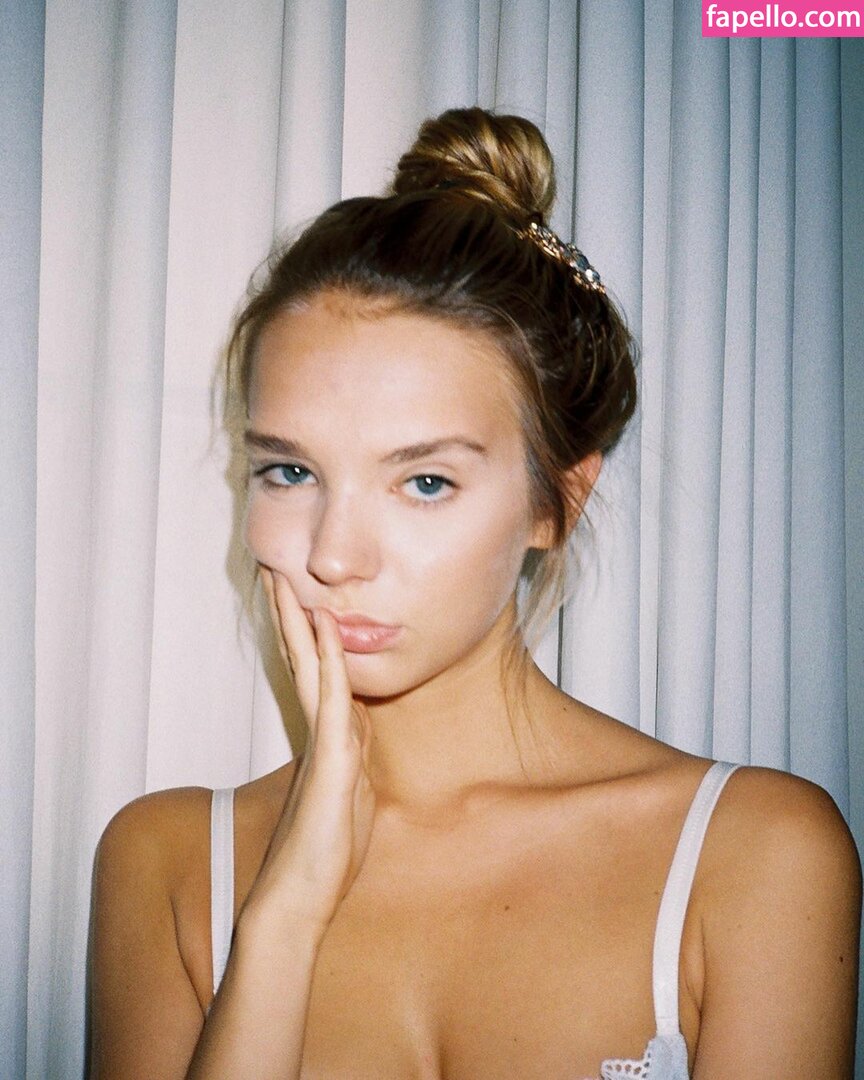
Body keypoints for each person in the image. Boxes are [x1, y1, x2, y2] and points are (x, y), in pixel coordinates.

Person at [88, 107, 861, 1079]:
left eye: (424, 481)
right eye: (290, 472)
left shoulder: (753, 856)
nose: (333, 555)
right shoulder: (164, 861)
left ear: (555, 504)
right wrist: (285, 916)